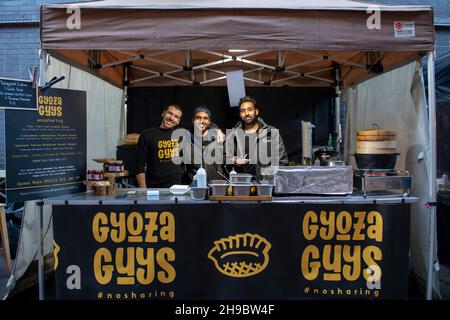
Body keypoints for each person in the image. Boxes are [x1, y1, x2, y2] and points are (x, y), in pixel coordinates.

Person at [226, 96, 289, 180]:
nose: (247, 113)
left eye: (250, 109)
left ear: (256, 111)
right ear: (240, 114)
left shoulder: (271, 133)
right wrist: (234, 160)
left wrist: (271, 180)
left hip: (266, 184)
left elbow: (282, 161)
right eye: (243, 111)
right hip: (243, 184)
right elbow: (224, 158)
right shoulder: (233, 135)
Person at [135, 104, 186, 188]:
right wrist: (143, 190)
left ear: (178, 121)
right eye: (170, 113)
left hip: (176, 188)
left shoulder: (181, 135)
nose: (171, 118)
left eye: (176, 116)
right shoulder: (147, 134)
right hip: (153, 187)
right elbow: (139, 165)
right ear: (163, 113)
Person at [185, 106, 225, 183]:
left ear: (209, 121)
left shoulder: (218, 138)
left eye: (205, 118)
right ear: (193, 120)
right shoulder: (186, 139)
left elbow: (225, 157)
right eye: (198, 118)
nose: (202, 121)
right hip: (195, 185)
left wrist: (234, 159)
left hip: (216, 184)